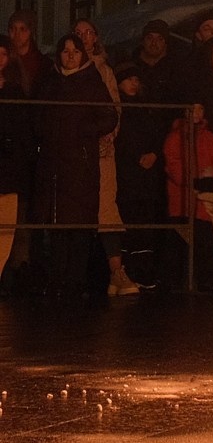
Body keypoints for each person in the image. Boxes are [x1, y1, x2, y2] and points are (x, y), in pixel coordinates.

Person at [32, 32, 117, 300]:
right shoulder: (51, 81)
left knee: (79, 226)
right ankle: (57, 279)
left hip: (81, 166)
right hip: (53, 165)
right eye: (66, 51)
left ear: (82, 55)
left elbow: (109, 117)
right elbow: (37, 114)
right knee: (57, 226)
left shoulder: (92, 81)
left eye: (75, 51)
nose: (70, 55)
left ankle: (76, 281)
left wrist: (85, 130)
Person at [74, 19, 139, 297]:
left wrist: (107, 137)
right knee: (74, 210)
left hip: (101, 149)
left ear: (96, 38)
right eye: (79, 33)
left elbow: (114, 109)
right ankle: (75, 277)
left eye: (88, 32)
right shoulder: (61, 71)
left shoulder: (105, 71)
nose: (84, 37)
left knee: (106, 209)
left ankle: (116, 271)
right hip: (73, 151)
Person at [163, 102, 213, 290]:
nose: (196, 112)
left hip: (203, 205)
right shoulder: (175, 138)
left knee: (204, 245)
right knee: (178, 246)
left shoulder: (210, 139)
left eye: (200, 108)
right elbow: (174, 166)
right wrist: (196, 180)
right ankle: (174, 284)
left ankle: (205, 281)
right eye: (192, 108)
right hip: (181, 204)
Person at [114, 61, 168, 287]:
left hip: (145, 178)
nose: (134, 84)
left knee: (144, 223)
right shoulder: (116, 109)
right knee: (127, 223)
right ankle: (127, 271)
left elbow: (157, 135)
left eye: (136, 79)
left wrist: (154, 154)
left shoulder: (146, 109)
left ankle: (143, 270)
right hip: (125, 176)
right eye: (129, 79)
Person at [0, 35, 32, 293]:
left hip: (9, 170)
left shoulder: (16, 91)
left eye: (2, 54)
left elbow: (22, 131)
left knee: (6, 228)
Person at [7, 9, 52, 96]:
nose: (17, 35)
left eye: (22, 29)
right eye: (13, 29)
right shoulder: (3, 59)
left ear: (31, 32)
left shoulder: (44, 64)